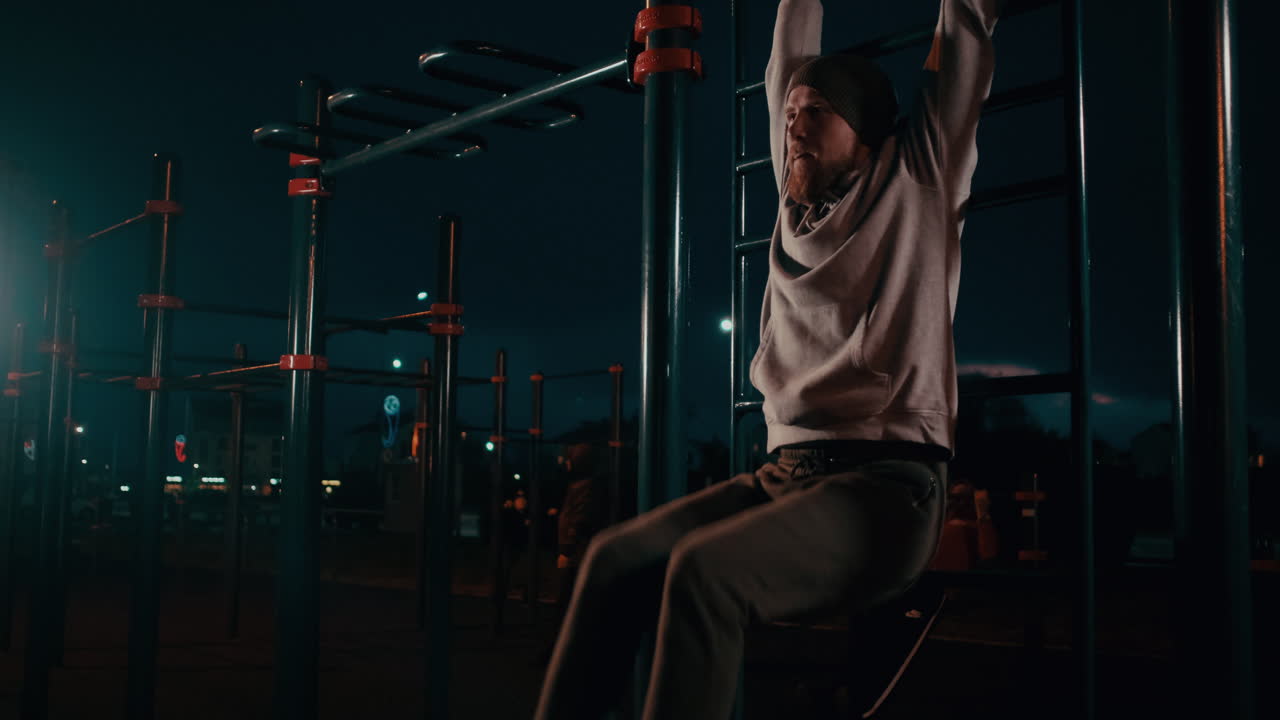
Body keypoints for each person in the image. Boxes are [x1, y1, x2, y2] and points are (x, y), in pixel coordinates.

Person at [534, 0, 998, 717]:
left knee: (703, 574)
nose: (794, 124)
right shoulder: (792, 201)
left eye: (817, 114)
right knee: (613, 560)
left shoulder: (917, 182)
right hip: (784, 476)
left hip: (885, 488)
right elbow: (788, 48)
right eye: (791, 113)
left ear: (868, 136)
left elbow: (963, 32)